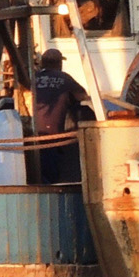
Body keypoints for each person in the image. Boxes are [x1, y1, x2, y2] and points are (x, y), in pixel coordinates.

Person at [30, 48, 91, 185]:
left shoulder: (32, 78)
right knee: (52, 176)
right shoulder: (64, 79)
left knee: (36, 175)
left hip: (29, 134)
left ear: (42, 63)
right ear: (59, 64)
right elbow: (83, 96)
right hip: (52, 137)